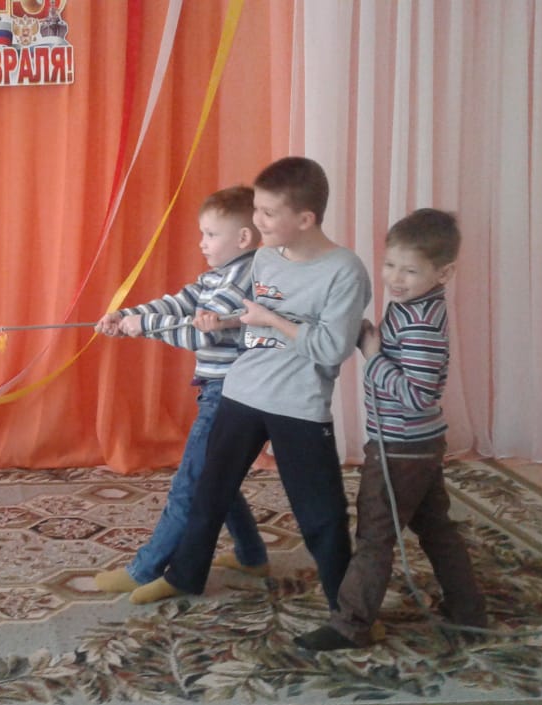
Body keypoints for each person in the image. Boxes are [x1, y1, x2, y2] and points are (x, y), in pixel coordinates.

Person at [132, 156, 372, 608]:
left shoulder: (345, 271)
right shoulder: (263, 258)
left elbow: (330, 348)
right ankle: (185, 576)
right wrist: (222, 321)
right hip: (241, 393)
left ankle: (350, 612)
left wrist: (271, 318)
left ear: (305, 219)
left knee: (321, 516)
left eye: (267, 213)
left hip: (298, 404)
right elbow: (249, 322)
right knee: (210, 492)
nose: (257, 221)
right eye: (256, 209)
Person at [294, 209, 485, 651]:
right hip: (417, 445)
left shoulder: (420, 323)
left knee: (375, 535)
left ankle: (351, 625)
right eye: (390, 264)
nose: (395, 278)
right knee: (436, 528)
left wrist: (372, 354)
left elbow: (418, 395)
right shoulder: (414, 304)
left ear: (444, 273)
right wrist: (375, 339)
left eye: (410, 270)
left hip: (400, 448)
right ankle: (468, 609)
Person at [92, 185, 270, 600]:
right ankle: (251, 556)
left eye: (211, 234)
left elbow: (200, 333)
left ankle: (146, 568)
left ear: (243, 237)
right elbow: (179, 304)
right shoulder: (216, 276)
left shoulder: (244, 277)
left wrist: (143, 328)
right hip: (219, 391)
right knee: (217, 476)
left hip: (231, 395)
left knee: (190, 482)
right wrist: (127, 316)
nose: (202, 243)